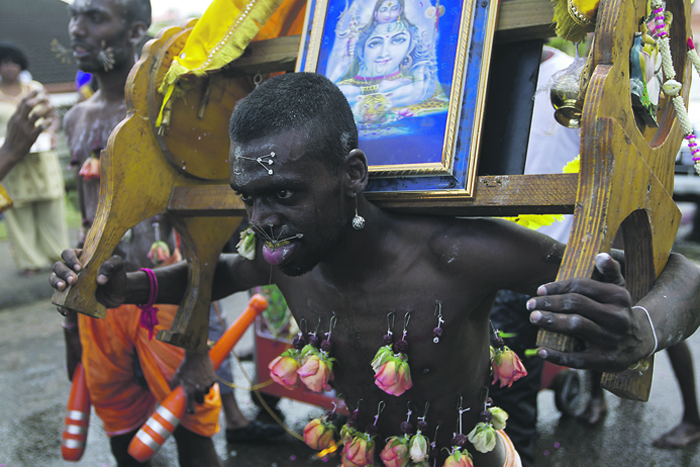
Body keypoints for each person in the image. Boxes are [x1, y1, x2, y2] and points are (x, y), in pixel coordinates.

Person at [51, 72, 700, 467]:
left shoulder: (453, 253)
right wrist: (129, 286)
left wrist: (640, 325)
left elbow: (685, 274)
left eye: (283, 193)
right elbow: (219, 274)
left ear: (351, 176)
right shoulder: (287, 253)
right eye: (250, 197)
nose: (263, 219)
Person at [60, 1, 223, 466]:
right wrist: (73, 322)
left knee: (191, 428)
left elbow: (199, 228)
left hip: (165, 289)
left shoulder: (170, 108)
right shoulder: (75, 119)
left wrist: (197, 344)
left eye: (95, 18)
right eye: (75, 17)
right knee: (122, 433)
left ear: (135, 31)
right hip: (98, 301)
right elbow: (88, 219)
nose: (77, 29)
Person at [0, 41, 69, 277]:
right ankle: (30, 262)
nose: (10, 68)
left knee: (51, 206)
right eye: (4, 63)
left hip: (41, 158)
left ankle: (59, 255)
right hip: (11, 162)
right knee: (19, 212)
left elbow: (53, 117)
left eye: (14, 63)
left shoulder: (35, 89)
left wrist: (50, 134)